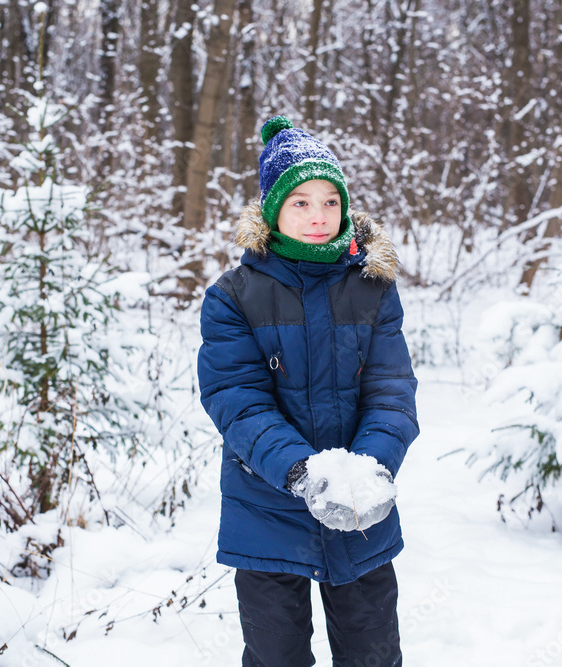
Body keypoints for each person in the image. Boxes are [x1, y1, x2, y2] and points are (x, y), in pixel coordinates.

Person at [197, 115, 419, 667]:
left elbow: (392, 389)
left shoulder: (373, 289)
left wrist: (369, 469)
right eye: (301, 202)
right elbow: (237, 400)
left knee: (373, 654)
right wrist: (304, 472)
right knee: (277, 656)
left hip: (361, 510)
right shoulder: (233, 297)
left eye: (330, 201)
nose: (319, 216)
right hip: (267, 506)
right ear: (273, 209)